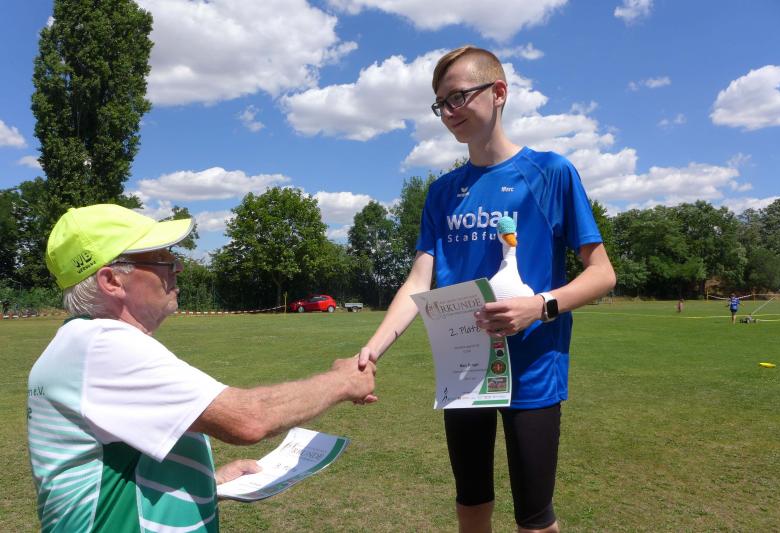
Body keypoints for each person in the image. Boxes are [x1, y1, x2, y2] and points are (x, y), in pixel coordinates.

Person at [356, 46, 616, 533]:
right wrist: (374, 347)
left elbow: (602, 273)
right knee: (470, 502)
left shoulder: (550, 172)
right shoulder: (442, 192)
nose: (448, 112)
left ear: (498, 92)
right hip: (464, 369)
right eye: (441, 104)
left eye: (458, 97)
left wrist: (540, 307)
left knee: (535, 518)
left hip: (533, 370)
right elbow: (419, 280)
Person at [27, 204, 377, 532]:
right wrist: (344, 381)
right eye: (162, 259)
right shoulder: (102, 346)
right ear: (112, 281)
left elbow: (118, 464)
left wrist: (211, 481)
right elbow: (249, 419)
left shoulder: (81, 346)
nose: (177, 267)